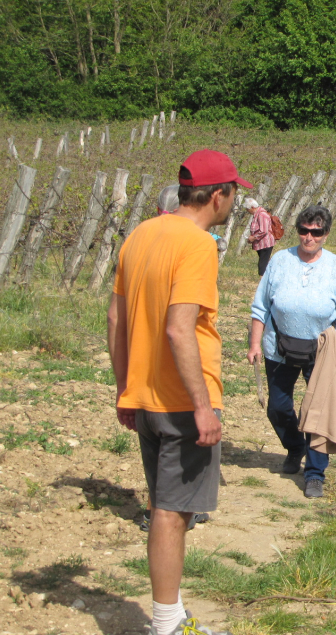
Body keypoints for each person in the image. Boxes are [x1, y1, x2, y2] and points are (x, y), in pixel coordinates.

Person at [107, 149, 250, 635]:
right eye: (233, 193)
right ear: (217, 195)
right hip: (180, 403)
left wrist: (125, 386)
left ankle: (174, 612)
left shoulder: (141, 234)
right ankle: (166, 623)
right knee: (171, 513)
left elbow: (116, 319)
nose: (233, 203)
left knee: (167, 506)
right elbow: (178, 329)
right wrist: (202, 406)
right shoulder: (198, 245)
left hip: (145, 399)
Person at [247, 205, 336, 499]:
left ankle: (314, 474)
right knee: (277, 405)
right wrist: (254, 345)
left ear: (326, 234)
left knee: (319, 412)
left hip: (323, 350)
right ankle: (294, 446)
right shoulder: (279, 262)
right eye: (304, 231)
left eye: (316, 232)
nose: (309, 237)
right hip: (279, 347)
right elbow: (260, 307)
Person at [245, 198, 276, 277]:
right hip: (261, 243)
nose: (247, 211)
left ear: (252, 207)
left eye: (248, 209)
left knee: (262, 265)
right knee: (266, 263)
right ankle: (270, 278)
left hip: (266, 243)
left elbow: (263, 230)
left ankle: (262, 283)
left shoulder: (262, 215)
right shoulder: (257, 214)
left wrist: (253, 237)